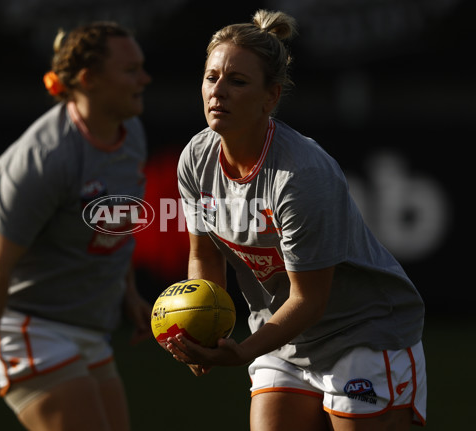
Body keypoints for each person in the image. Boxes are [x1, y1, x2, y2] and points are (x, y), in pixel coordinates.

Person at [168, 9, 426, 431]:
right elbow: (205, 257)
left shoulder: (300, 175)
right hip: (281, 335)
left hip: (362, 331)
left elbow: (310, 299)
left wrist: (243, 351)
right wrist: (204, 330)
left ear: (270, 97)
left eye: (237, 81)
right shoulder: (196, 159)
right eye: (212, 77)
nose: (219, 92)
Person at [0, 21, 153, 431]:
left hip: (88, 326)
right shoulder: (41, 159)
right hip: (29, 326)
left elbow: (114, 221)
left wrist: (129, 294)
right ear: (89, 80)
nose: (144, 79)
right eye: (131, 70)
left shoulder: (131, 131)